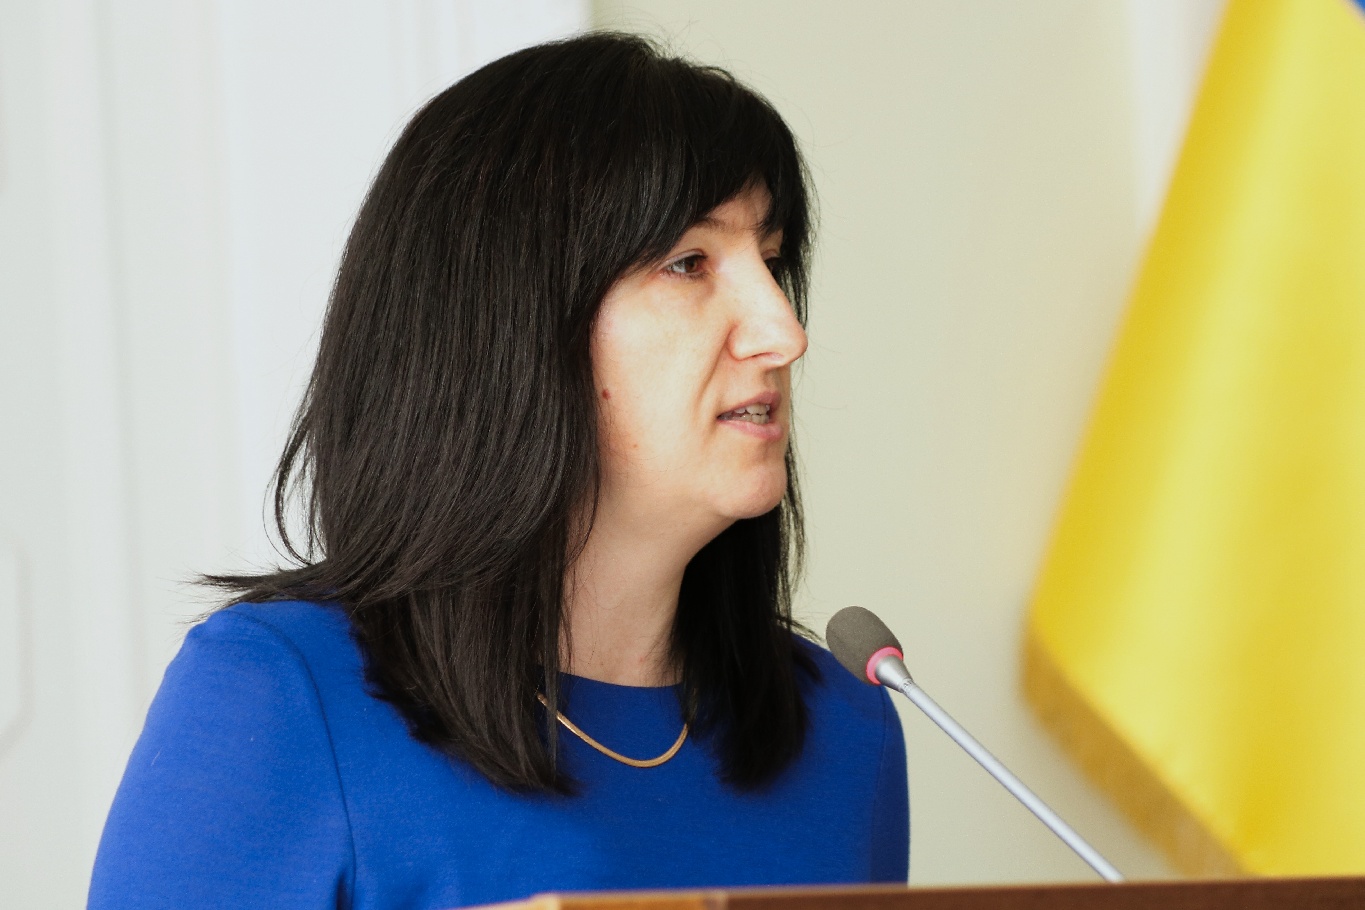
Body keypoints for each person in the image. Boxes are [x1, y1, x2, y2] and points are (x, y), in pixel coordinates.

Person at [87, 32, 908, 910]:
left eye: (772, 262)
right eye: (688, 263)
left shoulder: (847, 730)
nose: (784, 332)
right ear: (508, 324)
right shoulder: (279, 696)